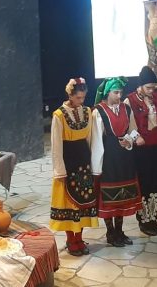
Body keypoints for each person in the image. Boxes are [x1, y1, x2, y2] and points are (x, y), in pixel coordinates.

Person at [91, 77, 144, 247]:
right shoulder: (98, 112)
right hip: (108, 159)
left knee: (122, 196)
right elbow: (96, 140)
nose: (119, 96)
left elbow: (134, 129)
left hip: (125, 158)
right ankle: (110, 232)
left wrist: (130, 140)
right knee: (109, 197)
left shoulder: (126, 108)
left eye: (121, 92)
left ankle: (120, 231)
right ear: (108, 93)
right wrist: (96, 166)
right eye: (116, 92)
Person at [50, 77, 99, 256]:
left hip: (83, 163)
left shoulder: (87, 112)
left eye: (83, 97)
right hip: (68, 162)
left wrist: (94, 164)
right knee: (69, 204)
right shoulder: (59, 115)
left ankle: (79, 238)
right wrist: (59, 171)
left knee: (83, 202)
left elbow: (90, 138)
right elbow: (56, 145)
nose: (81, 101)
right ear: (70, 95)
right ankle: (71, 239)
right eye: (78, 97)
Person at [126, 65, 157, 236]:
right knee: (144, 186)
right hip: (141, 150)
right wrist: (137, 137)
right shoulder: (130, 100)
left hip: (156, 147)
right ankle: (144, 221)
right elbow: (128, 125)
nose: (152, 91)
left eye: (153, 87)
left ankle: (153, 219)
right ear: (141, 85)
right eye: (149, 87)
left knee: (154, 185)